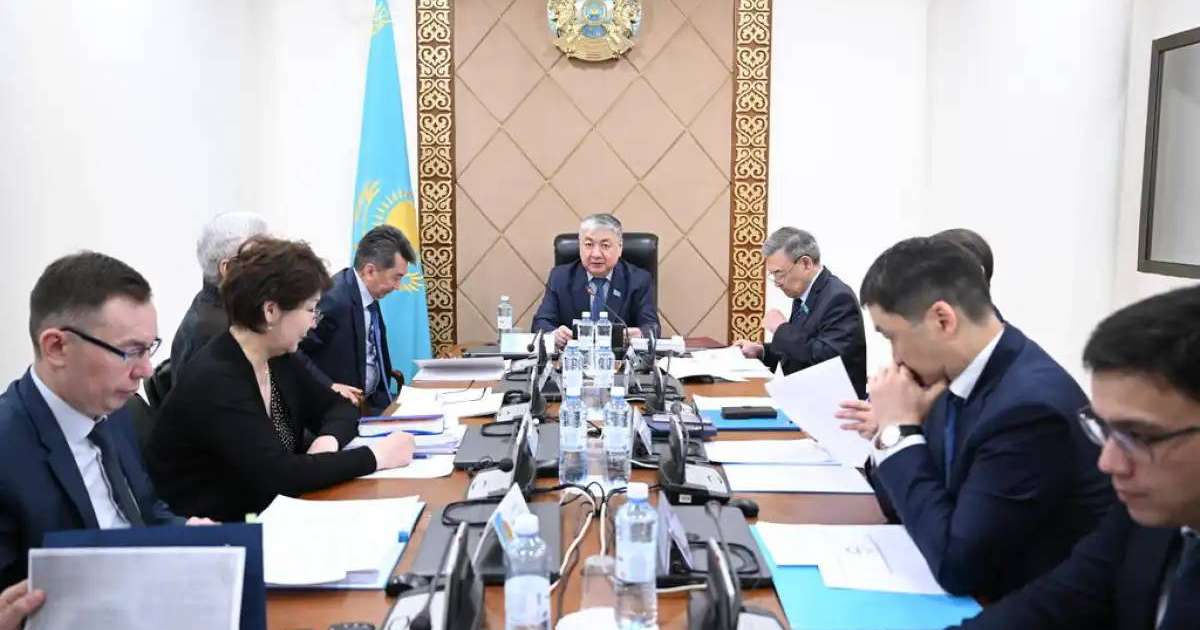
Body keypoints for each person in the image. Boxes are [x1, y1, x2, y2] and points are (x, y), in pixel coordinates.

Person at [835, 237, 1113, 599]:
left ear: (942, 320)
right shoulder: (957, 375)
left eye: (892, 337)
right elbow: (902, 509)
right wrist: (900, 429)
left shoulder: (1028, 410)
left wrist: (897, 433)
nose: (896, 358)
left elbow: (958, 566)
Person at [950, 285, 1200, 629]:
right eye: (1105, 429)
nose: (1108, 463)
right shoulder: (1148, 517)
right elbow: (1052, 606)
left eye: (1139, 436)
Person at [147, 237, 415, 522]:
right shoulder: (218, 377)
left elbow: (339, 406)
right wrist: (375, 457)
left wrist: (328, 441)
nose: (314, 322)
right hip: (222, 528)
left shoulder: (277, 356)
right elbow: (280, 475)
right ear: (271, 311)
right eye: (310, 309)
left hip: (273, 510)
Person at [0, 252, 200, 588]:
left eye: (148, 348)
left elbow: (145, 511)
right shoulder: (8, 448)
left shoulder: (115, 408)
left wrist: (188, 533)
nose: (145, 370)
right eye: (130, 351)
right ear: (56, 347)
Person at [734, 228, 867, 398]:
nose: (777, 282)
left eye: (779, 273)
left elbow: (825, 359)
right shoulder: (805, 293)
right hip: (807, 397)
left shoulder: (838, 297)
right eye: (772, 275)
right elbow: (802, 346)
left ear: (805, 264)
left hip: (833, 404)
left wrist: (781, 328)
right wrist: (762, 351)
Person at [298, 225, 416, 413]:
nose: (398, 286)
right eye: (396, 278)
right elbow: (295, 352)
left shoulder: (368, 293)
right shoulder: (333, 300)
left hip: (376, 401)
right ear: (370, 271)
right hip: (342, 409)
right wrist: (329, 386)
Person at [532, 213, 659, 350]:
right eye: (588, 244)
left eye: (605, 245)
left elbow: (652, 327)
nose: (596, 254)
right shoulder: (560, 277)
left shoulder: (638, 280)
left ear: (620, 248)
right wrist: (553, 334)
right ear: (580, 247)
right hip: (572, 358)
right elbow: (540, 323)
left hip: (619, 360)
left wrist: (640, 334)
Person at [171, 211, 269, 378]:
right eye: (263, 257)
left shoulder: (215, 307)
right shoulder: (218, 332)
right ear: (228, 268)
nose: (272, 265)